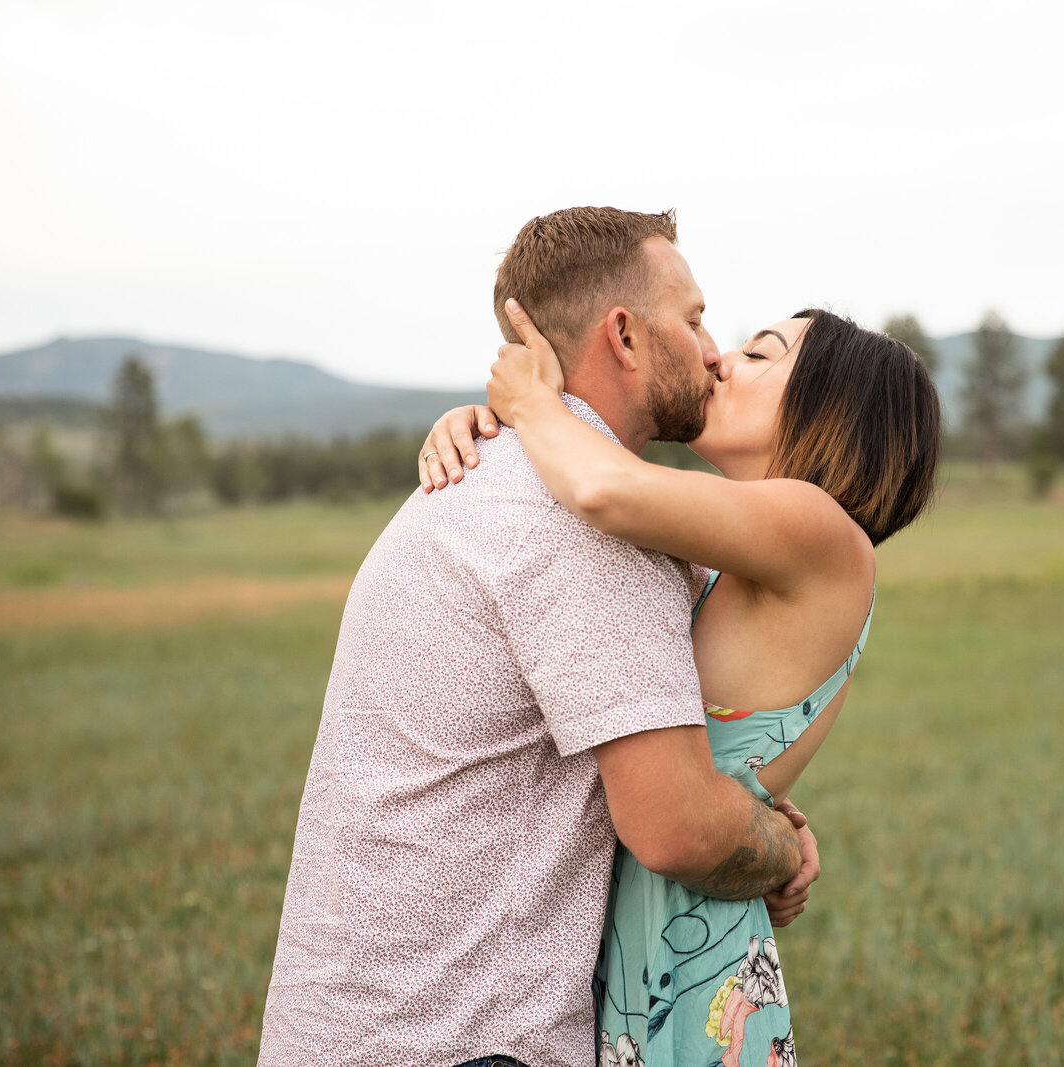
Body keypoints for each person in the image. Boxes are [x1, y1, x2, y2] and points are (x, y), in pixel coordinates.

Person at [258, 207, 816, 1067]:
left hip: (357, 1031)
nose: (714, 351)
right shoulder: (585, 527)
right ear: (624, 336)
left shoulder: (505, 476)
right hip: (456, 1043)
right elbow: (675, 828)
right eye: (697, 319)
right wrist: (777, 847)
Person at [420, 294, 940, 1065]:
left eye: (761, 354)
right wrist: (489, 434)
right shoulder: (731, 564)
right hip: (648, 940)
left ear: (835, 411)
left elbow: (604, 489)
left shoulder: (824, 530)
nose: (720, 358)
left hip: (687, 973)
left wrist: (530, 402)